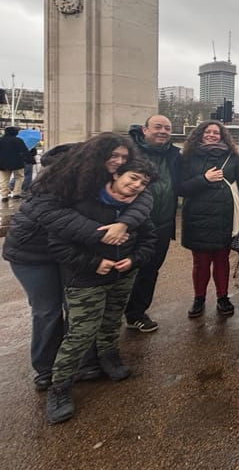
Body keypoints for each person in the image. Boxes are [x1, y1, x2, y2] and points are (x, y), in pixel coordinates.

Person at [2, 134, 152, 392]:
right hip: (35, 252)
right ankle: (47, 369)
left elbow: (144, 196)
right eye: (113, 155)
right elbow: (49, 213)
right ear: (96, 153)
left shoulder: (112, 174)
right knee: (48, 311)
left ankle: (85, 363)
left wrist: (124, 223)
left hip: (75, 249)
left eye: (123, 158)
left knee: (79, 310)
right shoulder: (61, 172)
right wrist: (102, 233)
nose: (118, 162)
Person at [45, 159, 158, 424]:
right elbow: (58, 244)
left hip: (122, 275)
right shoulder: (84, 203)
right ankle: (59, 386)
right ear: (115, 174)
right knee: (81, 334)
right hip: (85, 279)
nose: (136, 186)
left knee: (111, 322)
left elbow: (149, 239)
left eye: (143, 183)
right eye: (133, 178)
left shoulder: (136, 208)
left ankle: (109, 357)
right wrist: (95, 263)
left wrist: (133, 260)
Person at [180, 120, 239, 318]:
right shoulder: (188, 158)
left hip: (225, 217)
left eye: (216, 133)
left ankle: (222, 297)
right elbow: (180, 187)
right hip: (197, 218)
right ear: (200, 134)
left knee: (222, 260)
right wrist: (204, 179)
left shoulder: (233, 158)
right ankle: (199, 298)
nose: (212, 135)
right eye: (208, 132)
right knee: (200, 262)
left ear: (222, 136)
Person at [123, 115, 181, 333]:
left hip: (163, 222)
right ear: (144, 129)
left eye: (167, 128)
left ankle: (136, 312)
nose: (163, 131)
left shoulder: (174, 155)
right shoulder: (128, 151)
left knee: (150, 270)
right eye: (158, 127)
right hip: (131, 223)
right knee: (124, 270)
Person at [1, 126, 32, 201]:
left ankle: (4, 195)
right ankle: (16, 193)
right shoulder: (18, 140)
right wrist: (30, 160)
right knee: (19, 177)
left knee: (4, 179)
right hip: (17, 162)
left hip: (3, 163)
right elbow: (24, 151)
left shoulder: (1, 140)